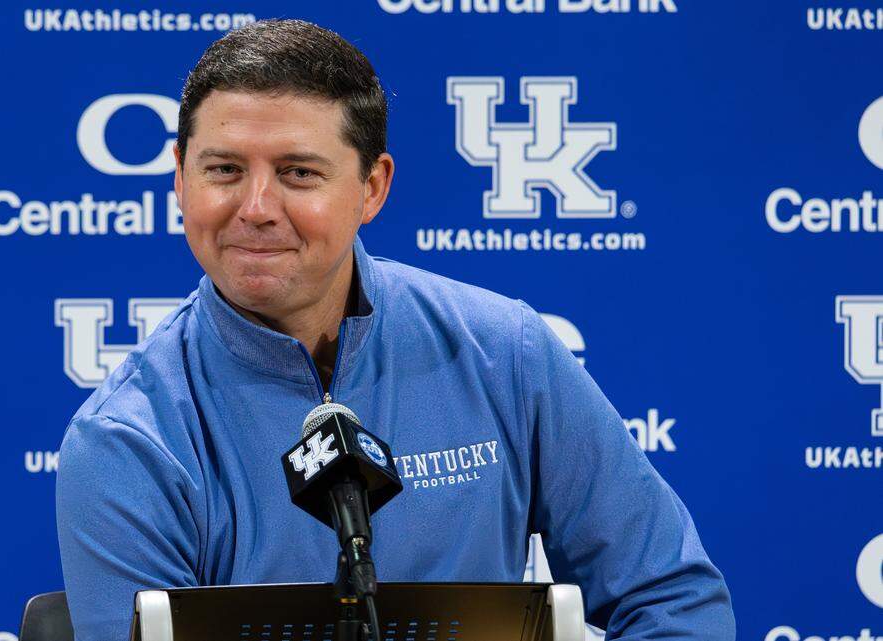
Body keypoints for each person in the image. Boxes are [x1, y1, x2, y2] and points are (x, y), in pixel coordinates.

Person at [56, 18, 734, 641]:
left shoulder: (507, 353)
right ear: (179, 178)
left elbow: (671, 598)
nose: (255, 208)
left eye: (298, 173)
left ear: (372, 188)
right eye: (225, 170)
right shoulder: (126, 440)